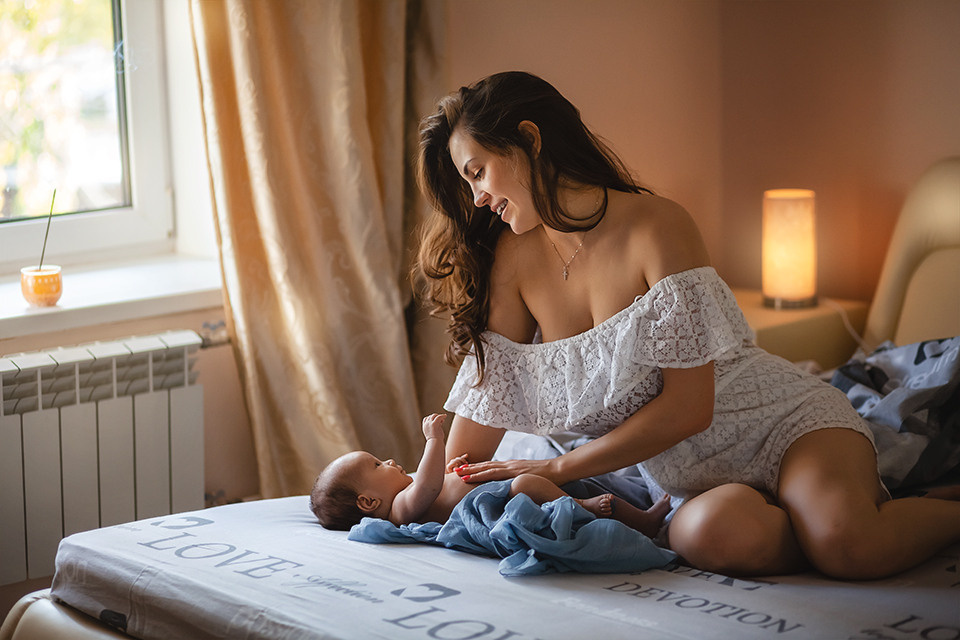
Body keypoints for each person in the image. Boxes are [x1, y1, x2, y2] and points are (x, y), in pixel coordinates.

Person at [413, 70, 960, 580]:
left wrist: (557, 469)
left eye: (477, 172)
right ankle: (818, 516)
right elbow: (483, 417)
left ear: (529, 139)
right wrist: (414, 491)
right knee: (710, 538)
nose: (477, 198)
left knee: (846, 545)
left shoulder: (657, 226)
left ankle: (895, 514)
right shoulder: (513, 261)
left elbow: (688, 407)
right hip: (691, 483)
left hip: (784, 426)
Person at [310, 413, 672, 537]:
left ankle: (641, 516)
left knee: (566, 480)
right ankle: (582, 505)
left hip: (497, 491)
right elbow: (429, 486)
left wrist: (451, 470)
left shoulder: (406, 496)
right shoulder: (400, 510)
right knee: (528, 483)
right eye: (377, 465)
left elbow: (438, 484)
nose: (389, 460)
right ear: (368, 502)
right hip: (502, 500)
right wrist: (434, 441)